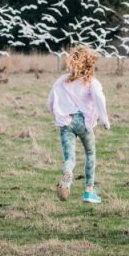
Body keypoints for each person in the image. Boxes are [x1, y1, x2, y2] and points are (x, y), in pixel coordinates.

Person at [47, 46, 110, 203]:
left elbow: (50, 101)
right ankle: (89, 191)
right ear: (89, 63)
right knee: (90, 153)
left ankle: (68, 173)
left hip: (65, 122)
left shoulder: (61, 80)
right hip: (84, 122)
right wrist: (104, 120)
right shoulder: (91, 82)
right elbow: (99, 99)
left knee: (70, 156)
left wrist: (56, 115)